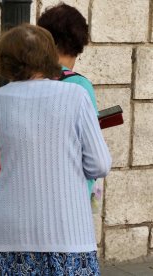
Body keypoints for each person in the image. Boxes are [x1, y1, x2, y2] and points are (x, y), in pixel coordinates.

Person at [0, 24, 111, 275]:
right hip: (67, 232)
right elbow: (100, 164)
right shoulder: (76, 96)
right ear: (48, 55)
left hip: (9, 233)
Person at [38, 3, 99, 202]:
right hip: (68, 194)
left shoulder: (25, 80)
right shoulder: (80, 86)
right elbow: (92, 153)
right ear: (79, 42)